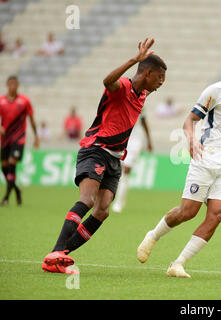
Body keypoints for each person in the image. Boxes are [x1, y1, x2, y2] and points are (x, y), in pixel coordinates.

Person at [41, 37, 166, 274]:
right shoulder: (122, 88)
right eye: (159, 77)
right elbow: (107, 81)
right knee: (87, 200)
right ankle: (57, 252)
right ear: (147, 73)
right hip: (96, 150)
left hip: (115, 158)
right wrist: (133, 60)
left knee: (103, 210)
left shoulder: (142, 96)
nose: (161, 83)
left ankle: (60, 255)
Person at [136, 49, 221, 278]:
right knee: (187, 212)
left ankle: (178, 263)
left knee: (216, 215)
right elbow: (190, 120)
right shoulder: (215, 91)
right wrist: (192, 139)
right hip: (206, 160)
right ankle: (153, 235)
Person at [0, 75, 39, 206]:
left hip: (19, 138)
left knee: (11, 164)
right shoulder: (1, 101)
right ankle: (17, 190)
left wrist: (36, 136)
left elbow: (32, 120)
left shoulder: (24, 101)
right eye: (10, 83)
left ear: (18, 85)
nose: (13, 86)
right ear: (7, 84)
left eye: (15, 84)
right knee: (4, 168)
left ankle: (5, 198)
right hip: (5, 139)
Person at [111, 113, 153, 213]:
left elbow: (144, 122)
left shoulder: (140, 102)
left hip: (136, 140)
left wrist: (149, 141)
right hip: (123, 138)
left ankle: (119, 202)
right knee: (116, 170)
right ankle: (111, 198)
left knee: (126, 170)